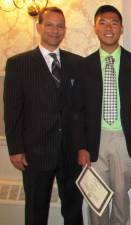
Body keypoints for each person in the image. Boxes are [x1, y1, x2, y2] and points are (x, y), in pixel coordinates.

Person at [3, 7, 83, 225]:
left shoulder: (77, 63)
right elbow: (12, 110)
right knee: (36, 212)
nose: (55, 31)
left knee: (74, 211)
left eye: (60, 26)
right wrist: (15, 148)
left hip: (70, 153)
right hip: (35, 153)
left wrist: (83, 146)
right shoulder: (18, 64)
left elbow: (80, 109)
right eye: (49, 25)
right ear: (39, 27)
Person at [73, 5, 131, 225]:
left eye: (114, 23)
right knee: (96, 198)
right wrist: (82, 146)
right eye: (103, 22)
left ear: (121, 28)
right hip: (95, 141)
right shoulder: (83, 66)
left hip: (124, 139)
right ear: (95, 27)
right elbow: (77, 110)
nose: (108, 27)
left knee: (121, 197)